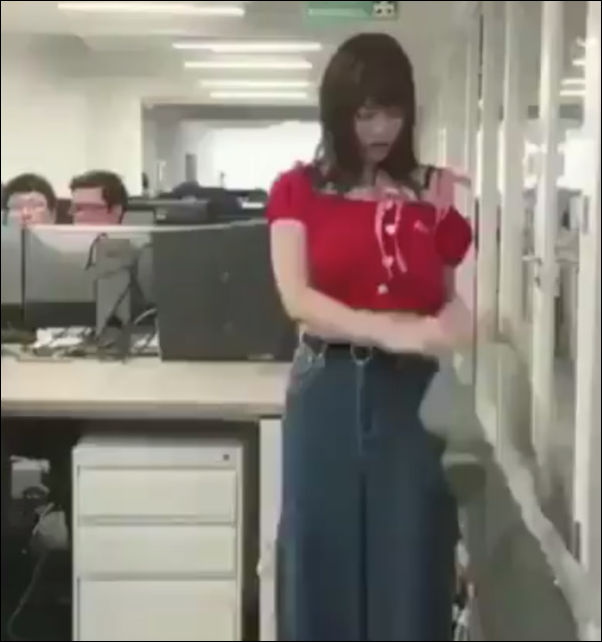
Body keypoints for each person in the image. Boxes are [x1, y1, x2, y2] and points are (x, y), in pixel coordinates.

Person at [266, 33, 474, 641]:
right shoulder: (297, 190)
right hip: (326, 385)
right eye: (364, 114)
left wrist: (454, 324)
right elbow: (298, 299)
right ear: (338, 114)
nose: (381, 129)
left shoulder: (432, 192)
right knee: (320, 553)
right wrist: (392, 331)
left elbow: (452, 295)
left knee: (412, 553)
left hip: (412, 394)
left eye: (392, 112)